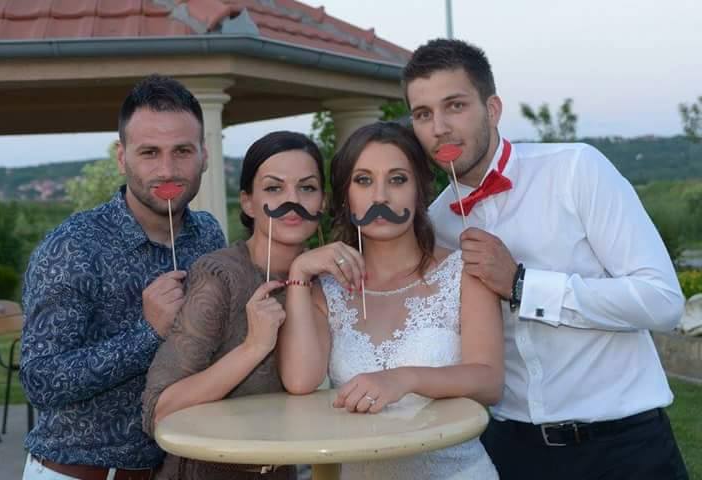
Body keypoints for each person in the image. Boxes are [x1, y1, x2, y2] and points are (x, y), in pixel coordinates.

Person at [404, 38, 689, 479]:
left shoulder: (576, 169)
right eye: (423, 114)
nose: (439, 128)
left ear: (492, 109)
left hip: (625, 448)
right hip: (512, 451)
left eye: (455, 106)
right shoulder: (436, 222)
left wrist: (522, 284)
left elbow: (663, 301)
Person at [20, 74, 226, 480]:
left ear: (204, 155)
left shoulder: (208, 235)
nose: (167, 169)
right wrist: (148, 333)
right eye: (149, 152)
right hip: (78, 473)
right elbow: (40, 381)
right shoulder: (72, 246)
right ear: (122, 158)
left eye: (182, 151)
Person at [278, 121, 503, 479]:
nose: (380, 197)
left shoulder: (463, 273)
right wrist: (300, 271)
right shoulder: (327, 290)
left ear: (420, 190)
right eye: (363, 180)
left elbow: (489, 381)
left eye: (397, 179)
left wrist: (403, 379)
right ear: (345, 196)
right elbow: (300, 380)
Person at [141, 131, 326, 479]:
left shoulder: (325, 280)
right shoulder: (220, 276)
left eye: (307, 187)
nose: (293, 200)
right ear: (248, 203)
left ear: (323, 201)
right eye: (274, 188)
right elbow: (158, 412)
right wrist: (253, 347)